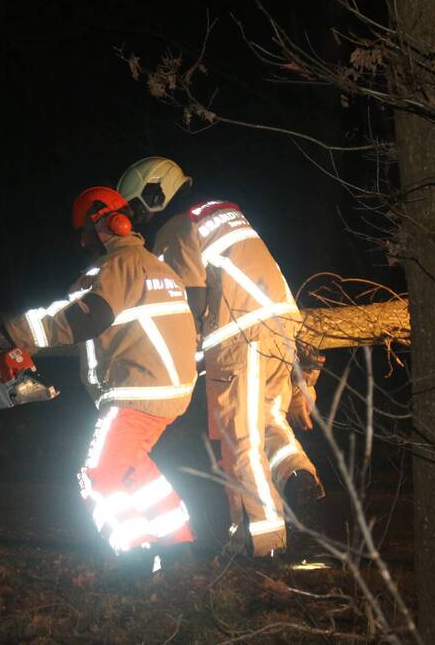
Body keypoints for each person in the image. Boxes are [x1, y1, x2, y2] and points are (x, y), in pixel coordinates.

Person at [117, 157, 326, 559]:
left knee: (238, 440)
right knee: (267, 418)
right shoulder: (226, 213)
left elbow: (187, 299)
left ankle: (263, 544)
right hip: (283, 324)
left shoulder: (176, 226)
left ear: (156, 193)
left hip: (238, 335)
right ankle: (298, 475)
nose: (137, 219)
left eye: (138, 208)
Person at [0, 186, 199, 567]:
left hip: (138, 389)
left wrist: (16, 333)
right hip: (170, 389)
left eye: (84, 234)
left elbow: (86, 317)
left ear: (105, 224)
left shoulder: (120, 266)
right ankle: (180, 545)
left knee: (97, 476)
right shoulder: (159, 267)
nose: (83, 243)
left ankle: (135, 559)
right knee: (131, 468)